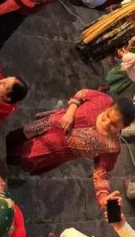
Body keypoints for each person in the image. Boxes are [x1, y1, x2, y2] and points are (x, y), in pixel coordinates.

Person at [7, 90, 135, 209]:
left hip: (51, 152)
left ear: (124, 126)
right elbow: (81, 94)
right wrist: (70, 113)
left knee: (22, 156)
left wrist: (103, 196)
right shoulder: (103, 99)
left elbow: (101, 174)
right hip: (48, 124)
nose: (106, 123)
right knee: (20, 135)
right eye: (107, 116)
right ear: (109, 107)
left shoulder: (111, 147)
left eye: (114, 125)